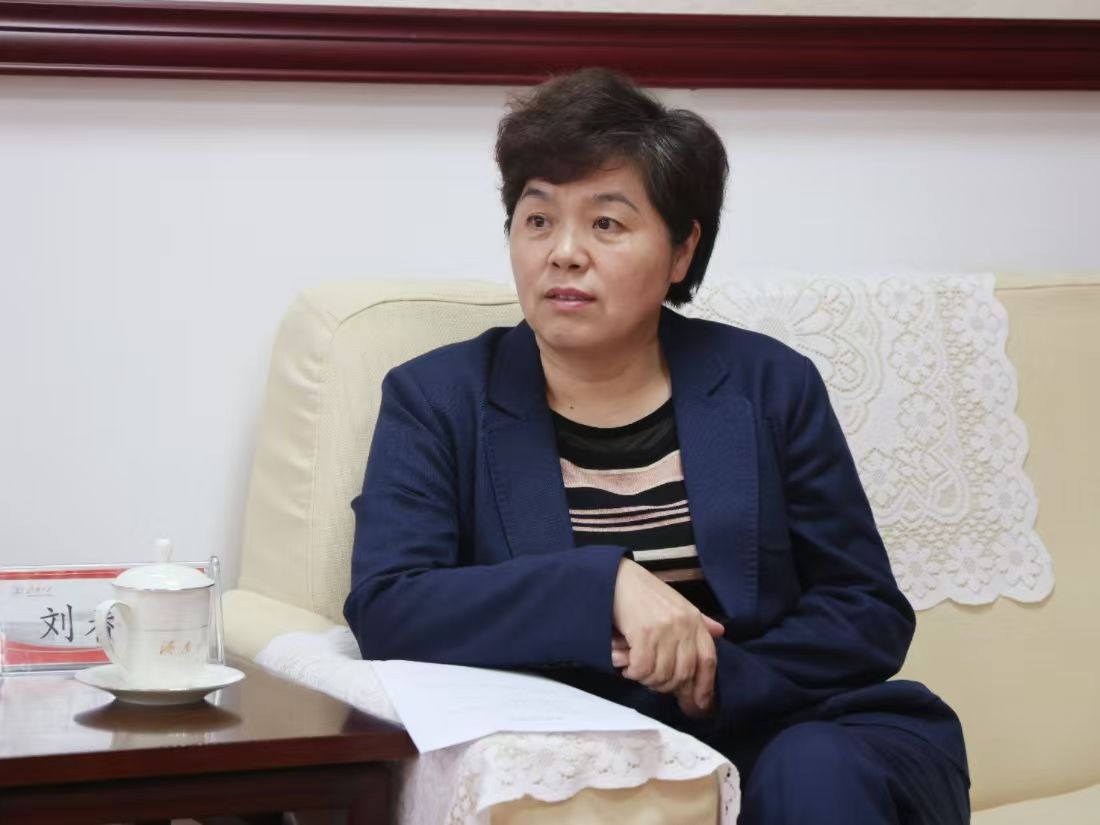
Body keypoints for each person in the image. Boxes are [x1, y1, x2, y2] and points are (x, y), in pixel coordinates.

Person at [344, 68, 969, 824]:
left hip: (796, 722)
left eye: (606, 224)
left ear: (681, 250)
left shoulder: (769, 385)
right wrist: (603, 584)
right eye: (537, 219)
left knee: (813, 771)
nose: (563, 253)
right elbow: (390, 605)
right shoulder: (437, 399)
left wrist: (713, 675)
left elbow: (866, 610)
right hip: (582, 750)